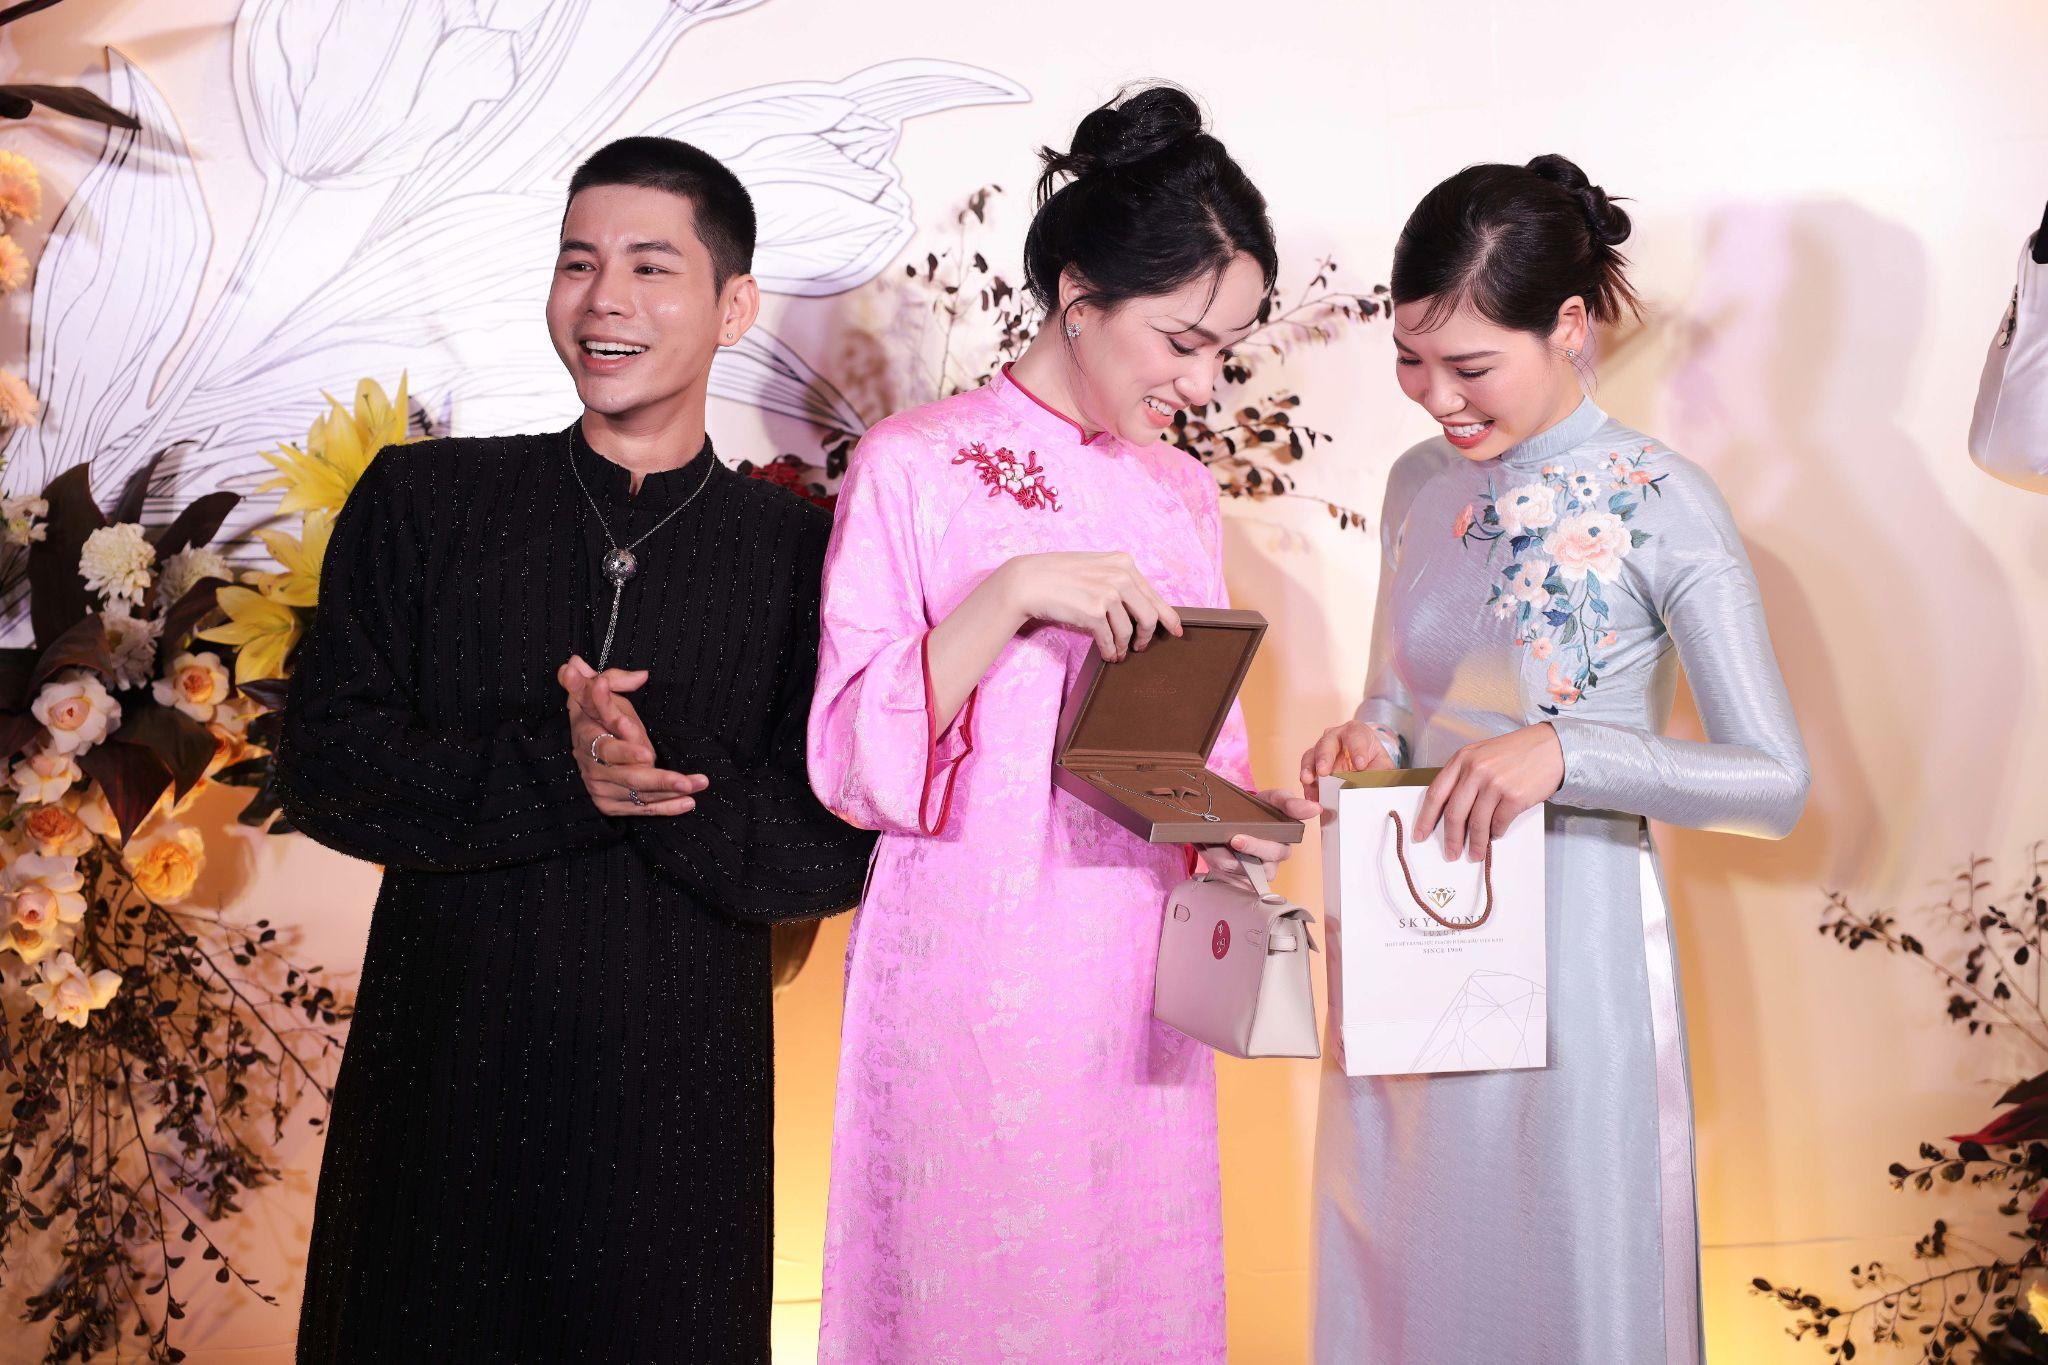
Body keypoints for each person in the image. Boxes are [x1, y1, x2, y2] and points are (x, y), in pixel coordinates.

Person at [277, 136, 876, 1364]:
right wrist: (559, 770)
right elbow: (325, 765)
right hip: (439, 1083)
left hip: (674, 1116)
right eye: (577, 263)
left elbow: (830, 845)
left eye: (650, 267)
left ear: (734, 307)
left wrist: (662, 781)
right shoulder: (424, 502)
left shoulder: (803, 556)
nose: (604, 299)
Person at [806, 84, 1320, 1362]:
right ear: (1080, 297)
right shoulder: (911, 464)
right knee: (967, 1293)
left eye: (1224, 351)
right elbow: (850, 755)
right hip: (966, 969)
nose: (1202, 383)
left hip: (1134, 974)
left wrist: (1235, 828)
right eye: (1181, 341)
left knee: (1126, 1289)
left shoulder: (1179, 494)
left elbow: (1189, 747)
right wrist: (1011, 593)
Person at [1301, 155, 1810, 1364]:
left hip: (1573, 956)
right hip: (1412, 939)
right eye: (1410, 361)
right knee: (1398, 1264)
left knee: (1564, 1274)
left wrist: (1567, 752)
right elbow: (1397, 693)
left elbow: (1773, 781)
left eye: (1470, 366)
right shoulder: (1416, 485)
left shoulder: (1661, 501)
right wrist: (1365, 737)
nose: (1435, 398)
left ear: (1568, 326)